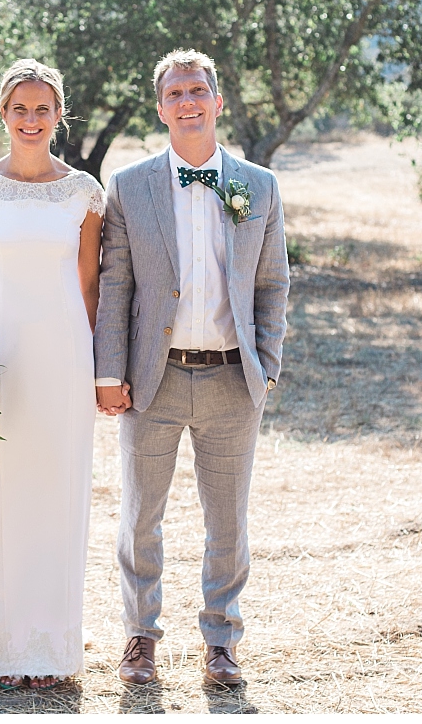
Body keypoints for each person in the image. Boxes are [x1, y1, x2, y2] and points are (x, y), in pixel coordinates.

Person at [94, 48, 290, 687]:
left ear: (217, 101)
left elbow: (272, 284)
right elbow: (116, 284)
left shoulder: (259, 186)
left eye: (197, 90)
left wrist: (268, 364)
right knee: (140, 517)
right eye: (175, 93)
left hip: (235, 380)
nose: (188, 102)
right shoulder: (129, 186)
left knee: (228, 520)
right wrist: (110, 371)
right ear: (160, 108)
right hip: (154, 380)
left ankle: (222, 643)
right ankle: (140, 639)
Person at [0, 59, 105, 689]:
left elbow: (90, 283)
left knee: (59, 493)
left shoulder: (84, 193)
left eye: (43, 109)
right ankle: (5, 651)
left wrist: (100, 370)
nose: (31, 120)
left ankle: (54, 654)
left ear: (59, 115)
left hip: (64, 354)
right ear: (3, 114)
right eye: (20, 109)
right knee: (3, 494)